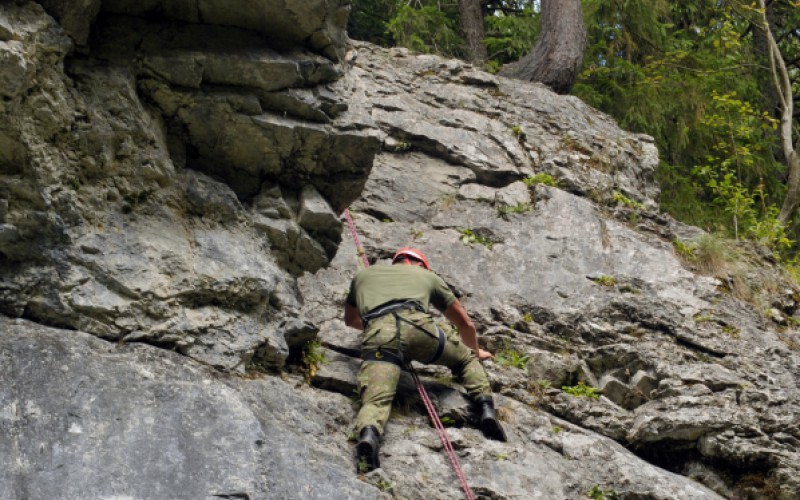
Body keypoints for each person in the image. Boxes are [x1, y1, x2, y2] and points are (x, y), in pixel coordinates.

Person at [344, 247, 507, 472]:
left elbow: (350, 320)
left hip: (380, 333)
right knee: (466, 359)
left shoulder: (362, 276)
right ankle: (486, 408)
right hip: (419, 329)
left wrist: (383, 330)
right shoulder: (428, 277)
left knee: (376, 400)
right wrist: (475, 352)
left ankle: (369, 435)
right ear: (421, 264)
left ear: (397, 262)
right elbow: (465, 324)